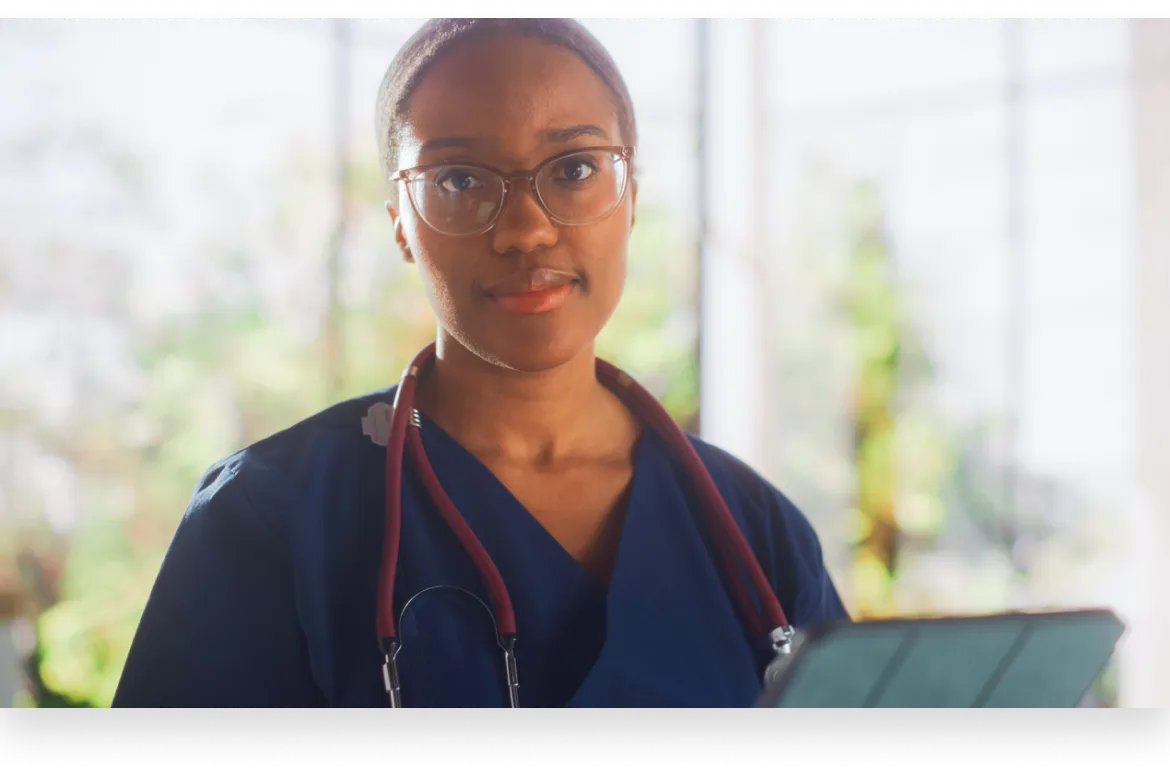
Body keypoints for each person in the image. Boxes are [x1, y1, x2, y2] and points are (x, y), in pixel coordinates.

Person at [112, 18, 850, 709]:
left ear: (631, 197)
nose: (526, 229)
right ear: (400, 221)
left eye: (575, 168)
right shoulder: (270, 520)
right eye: (460, 180)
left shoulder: (754, 533)